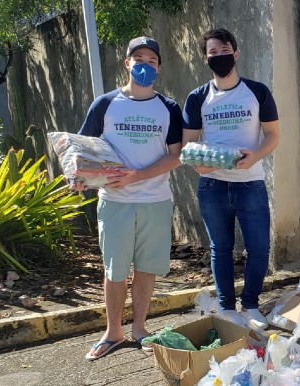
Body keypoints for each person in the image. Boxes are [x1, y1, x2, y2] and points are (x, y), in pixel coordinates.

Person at [76, 36, 184, 360]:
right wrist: (80, 175)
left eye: (151, 61)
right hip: (115, 202)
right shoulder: (106, 104)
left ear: (159, 68)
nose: (144, 65)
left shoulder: (169, 108)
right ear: (127, 64)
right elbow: (84, 147)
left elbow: (176, 156)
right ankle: (113, 332)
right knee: (115, 270)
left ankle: (139, 329)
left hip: (156, 200)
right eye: (138, 59)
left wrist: (136, 176)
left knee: (147, 269)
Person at [182, 28, 279, 330]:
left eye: (224, 50)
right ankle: (226, 307)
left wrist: (256, 155)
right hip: (212, 187)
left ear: (236, 53)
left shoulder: (257, 91)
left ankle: (250, 304)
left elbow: (273, 135)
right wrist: (200, 168)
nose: (219, 56)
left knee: (260, 247)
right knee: (220, 248)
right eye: (212, 52)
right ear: (205, 58)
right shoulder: (198, 97)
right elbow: (189, 145)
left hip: (250, 183)